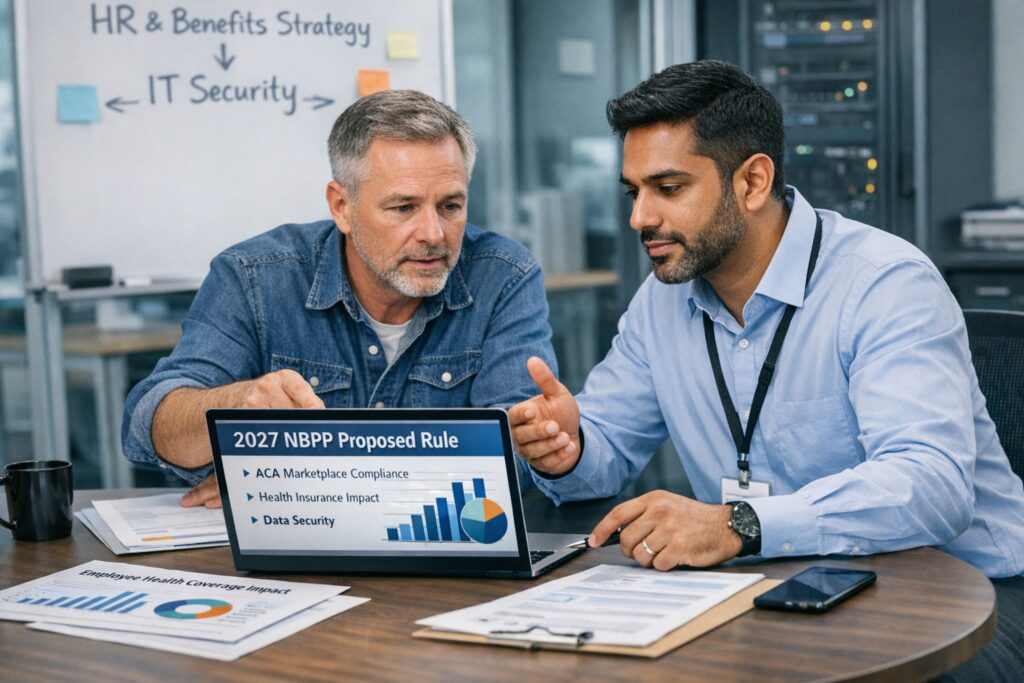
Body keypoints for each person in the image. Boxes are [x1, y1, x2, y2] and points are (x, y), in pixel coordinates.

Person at [509, 60, 1024, 680]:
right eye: (633, 191)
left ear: (752, 181)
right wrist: (568, 448)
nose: (638, 218)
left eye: (668, 189)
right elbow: (607, 448)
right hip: (780, 586)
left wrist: (738, 525)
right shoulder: (661, 301)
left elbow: (932, 486)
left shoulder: (884, 284)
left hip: (973, 600)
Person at [123, 89, 556, 509]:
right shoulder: (254, 277)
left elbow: (514, 457)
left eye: (450, 206)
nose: (433, 233)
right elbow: (146, 427)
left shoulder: (504, 276)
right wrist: (236, 405)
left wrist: (300, 483)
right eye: (403, 207)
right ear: (341, 206)